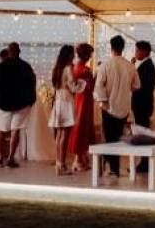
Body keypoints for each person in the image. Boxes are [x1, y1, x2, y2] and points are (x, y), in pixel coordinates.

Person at [94, 35, 139, 178]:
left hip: (109, 107)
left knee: (109, 138)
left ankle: (112, 167)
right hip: (124, 106)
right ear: (122, 48)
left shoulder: (105, 65)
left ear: (111, 47)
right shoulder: (130, 66)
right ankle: (113, 165)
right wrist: (126, 88)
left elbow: (99, 86)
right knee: (118, 137)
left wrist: (104, 102)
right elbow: (137, 86)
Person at [0, 42, 36, 168]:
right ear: (19, 51)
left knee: (0, 130)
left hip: (2, 103)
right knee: (15, 130)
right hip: (21, 104)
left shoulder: (0, 67)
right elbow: (31, 84)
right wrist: (31, 100)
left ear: (8, 51)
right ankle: (10, 158)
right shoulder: (26, 67)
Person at [48, 44, 83, 175]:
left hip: (58, 100)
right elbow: (73, 87)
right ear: (68, 55)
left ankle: (58, 163)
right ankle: (62, 164)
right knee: (65, 135)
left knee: (59, 134)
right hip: (67, 101)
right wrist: (82, 83)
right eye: (72, 54)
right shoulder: (68, 68)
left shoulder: (57, 68)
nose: (74, 56)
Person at [67, 43, 97, 171]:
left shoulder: (75, 68)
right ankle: (79, 159)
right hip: (83, 102)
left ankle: (81, 158)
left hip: (80, 101)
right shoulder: (84, 70)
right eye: (89, 54)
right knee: (82, 128)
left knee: (80, 128)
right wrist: (96, 74)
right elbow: (91, 87)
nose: (90, 57)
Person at [131, 40, 155, 173]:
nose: (135, 53)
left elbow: (143, 86)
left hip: (143, 104)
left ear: (144, 51)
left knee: (142, 132)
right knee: (141, 130)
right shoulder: (144, 65)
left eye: (137, 50)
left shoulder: (148, 66)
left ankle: (145, 162)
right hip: (141, 104)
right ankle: (143, 161)